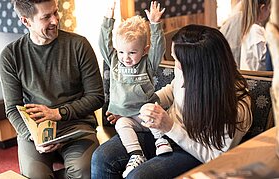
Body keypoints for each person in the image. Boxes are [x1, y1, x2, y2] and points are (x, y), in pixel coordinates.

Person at [91, 24, 253, 179]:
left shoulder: (237, 107)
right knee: (102, 157)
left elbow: (215, 157)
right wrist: (132, 107)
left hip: (194, 151)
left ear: (199, 68)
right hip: (165, 134)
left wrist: (170, 127)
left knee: (139, 176)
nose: (175, 65)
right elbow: (171, 90)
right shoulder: (187, 73)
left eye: (177, 61)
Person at [0, 0, 104, 178]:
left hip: (76, 126)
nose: (55, 20)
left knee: (84, 171)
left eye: (55, 12)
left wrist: (59, 113)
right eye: (46, 17)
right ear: (26, 21)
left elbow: (97, 96)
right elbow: (12, 108)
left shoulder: (79, 45)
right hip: (35, 130)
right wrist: (32, 136)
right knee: (35, 176)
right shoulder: (11, 55)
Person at [99, 1, 169, 177]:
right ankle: (136, 155)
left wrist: (155, 25)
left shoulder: (148, 64)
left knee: (149, 110)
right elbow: (103, 44)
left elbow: (159, 47)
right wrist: (108, 19)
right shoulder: (114, 61)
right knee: (121, 125)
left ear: (144, 50)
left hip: (146, 115)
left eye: (132, 52)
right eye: (121, 52)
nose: (126, 58)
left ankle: (161, 140)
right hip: (127, 118)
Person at [240, 0, 272, 71]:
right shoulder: (255, 29)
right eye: (270, 8)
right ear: (262, 8)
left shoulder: (252, 29)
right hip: (257, 80)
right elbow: (263, 57)